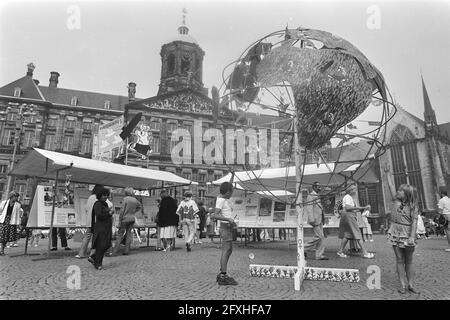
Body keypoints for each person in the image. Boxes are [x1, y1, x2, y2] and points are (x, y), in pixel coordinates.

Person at [387, 184, 420, 294]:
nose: (398, 191)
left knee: (409, 260)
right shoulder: (396, 201)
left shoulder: (413, 206)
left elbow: (414, 222)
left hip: (407, 233)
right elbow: (391, 187)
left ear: (406, 194)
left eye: (401, 190)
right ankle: (402, 285)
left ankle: (411, 284)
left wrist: (411, 236)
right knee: (399, 259)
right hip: (395, 231)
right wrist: (387, 175)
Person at [336, 183, 374, 259]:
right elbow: (347, 208)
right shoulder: (348, 197)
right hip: (349, 216)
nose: (355, 190)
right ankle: (365, 253)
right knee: (357, 233)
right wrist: (362, 208)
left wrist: (361, 209)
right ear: (350, 190)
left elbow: (348, 208)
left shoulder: (348, 197)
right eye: (354, 189)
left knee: (347, 235)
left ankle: (340, 251)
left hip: (347, 216)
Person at [212, 182, 238, 285]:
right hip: (225, 227)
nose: (232, 194)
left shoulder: (223, 199)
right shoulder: (221, 200)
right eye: (231, 192)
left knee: (229, 250)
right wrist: (228, 219)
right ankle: (223, 274)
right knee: (226, 250)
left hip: (228, 227)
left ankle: (223, 270)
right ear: (227, 192)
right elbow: (214, 215)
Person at [75, 184, 104, 259]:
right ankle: (92, 254)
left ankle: (81, 253)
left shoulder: (91, 197)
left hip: (89, 220)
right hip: (98, 221)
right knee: (96, 238)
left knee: (87, 237)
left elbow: (86, 208)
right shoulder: (101, 197)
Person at [88, 187, 113, 270]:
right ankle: (98, 263)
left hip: (106, 228)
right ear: (100, 195)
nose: (105, 197)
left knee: (107, 244)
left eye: (106, 195)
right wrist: (109, 214)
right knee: (101, 246)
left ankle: (94, 257)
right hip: (101, 228)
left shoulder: (105, 204)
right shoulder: (98, 204)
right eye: (103, 195)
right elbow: (99, 216)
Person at [113, 187, 141, 256]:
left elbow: (122, 210)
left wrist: (120, 220)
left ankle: (115, 251)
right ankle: (126, 251)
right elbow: (140, 207)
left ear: (126, 193)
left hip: (125, 219)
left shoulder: (125, 199)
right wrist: (134, 211)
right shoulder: (135, 200)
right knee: (128, 234)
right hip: (132, 218)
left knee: (120, 234)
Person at [304, 182, 328, 260]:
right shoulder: (310, 196)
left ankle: (319, 255)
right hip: (315, 219)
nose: (320, 188)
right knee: (319, 236)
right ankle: (302, 248)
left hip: (320, 219)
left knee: (321, 238)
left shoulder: (317, 196)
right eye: (318, 187)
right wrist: (311, 219)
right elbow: (309, 208)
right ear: (314, 187)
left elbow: (318, 208)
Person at [0, 191, 22, 255]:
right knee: (1, 236)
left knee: (6, 237)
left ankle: (2, 250)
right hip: (3, 221)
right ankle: (1, 249)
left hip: (12, 222)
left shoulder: (18, 205)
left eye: (17, 197)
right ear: (12, 196)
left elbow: (18, 215)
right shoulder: (4, 203)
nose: (16, 198)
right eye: (15, 196)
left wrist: (18, 224)